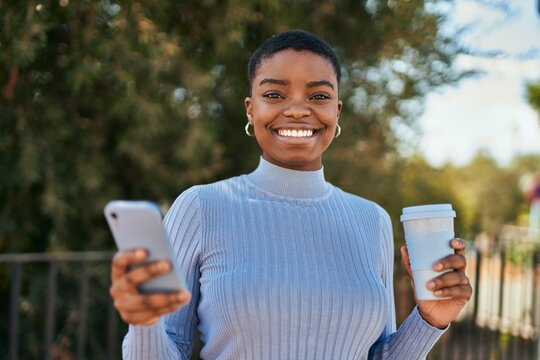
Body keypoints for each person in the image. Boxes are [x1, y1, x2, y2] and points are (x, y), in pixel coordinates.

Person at [109, 30, 472, 359]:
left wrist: (428, 320)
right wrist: (143, 322)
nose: (298, 109)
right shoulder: (201, 208)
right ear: (251, 109)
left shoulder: (371, 219)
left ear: (336, 110)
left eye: (318, 95)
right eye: (274, 94)